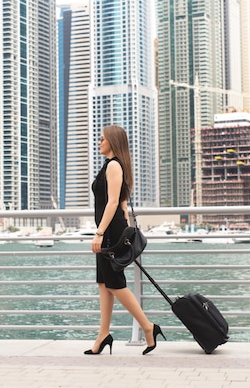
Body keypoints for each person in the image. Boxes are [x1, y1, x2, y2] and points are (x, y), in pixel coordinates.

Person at [84, 125, 164, 355]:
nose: (99, 142)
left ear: (112, 141)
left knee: (115, 284)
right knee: (104, 283)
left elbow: (112, 203)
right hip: (110, 230)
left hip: (109, 232)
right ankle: (103, 334)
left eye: (102, 139)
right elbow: (122, 204)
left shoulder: (114, 165)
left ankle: (148, 328)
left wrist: (100, 233)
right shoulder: (111, 166)